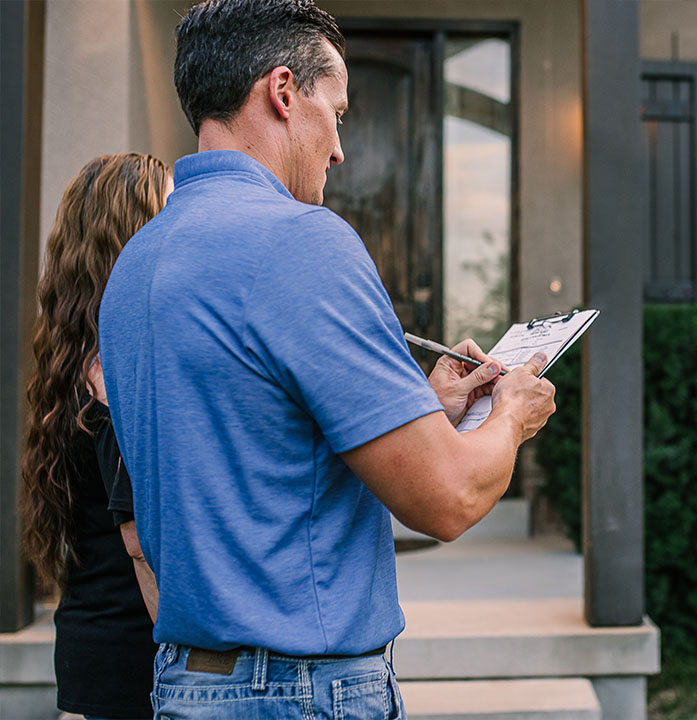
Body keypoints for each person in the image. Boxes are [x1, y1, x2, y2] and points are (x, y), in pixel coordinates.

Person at [97, 0, 556, 717]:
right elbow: (450, 497)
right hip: (300, 692)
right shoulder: (304, 240)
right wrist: (512, 414)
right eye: (337, 112)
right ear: (283, 92)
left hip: (186, 685)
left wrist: (425, 411)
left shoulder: (138, 262)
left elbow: (249, 451)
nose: (341, 148)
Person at [21, 153, 172, 720]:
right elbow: (139, 545)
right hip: (134, 667)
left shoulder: (73, 357)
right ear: (135, 235)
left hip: (94, 649)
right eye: (168, 213)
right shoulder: (113, 370)